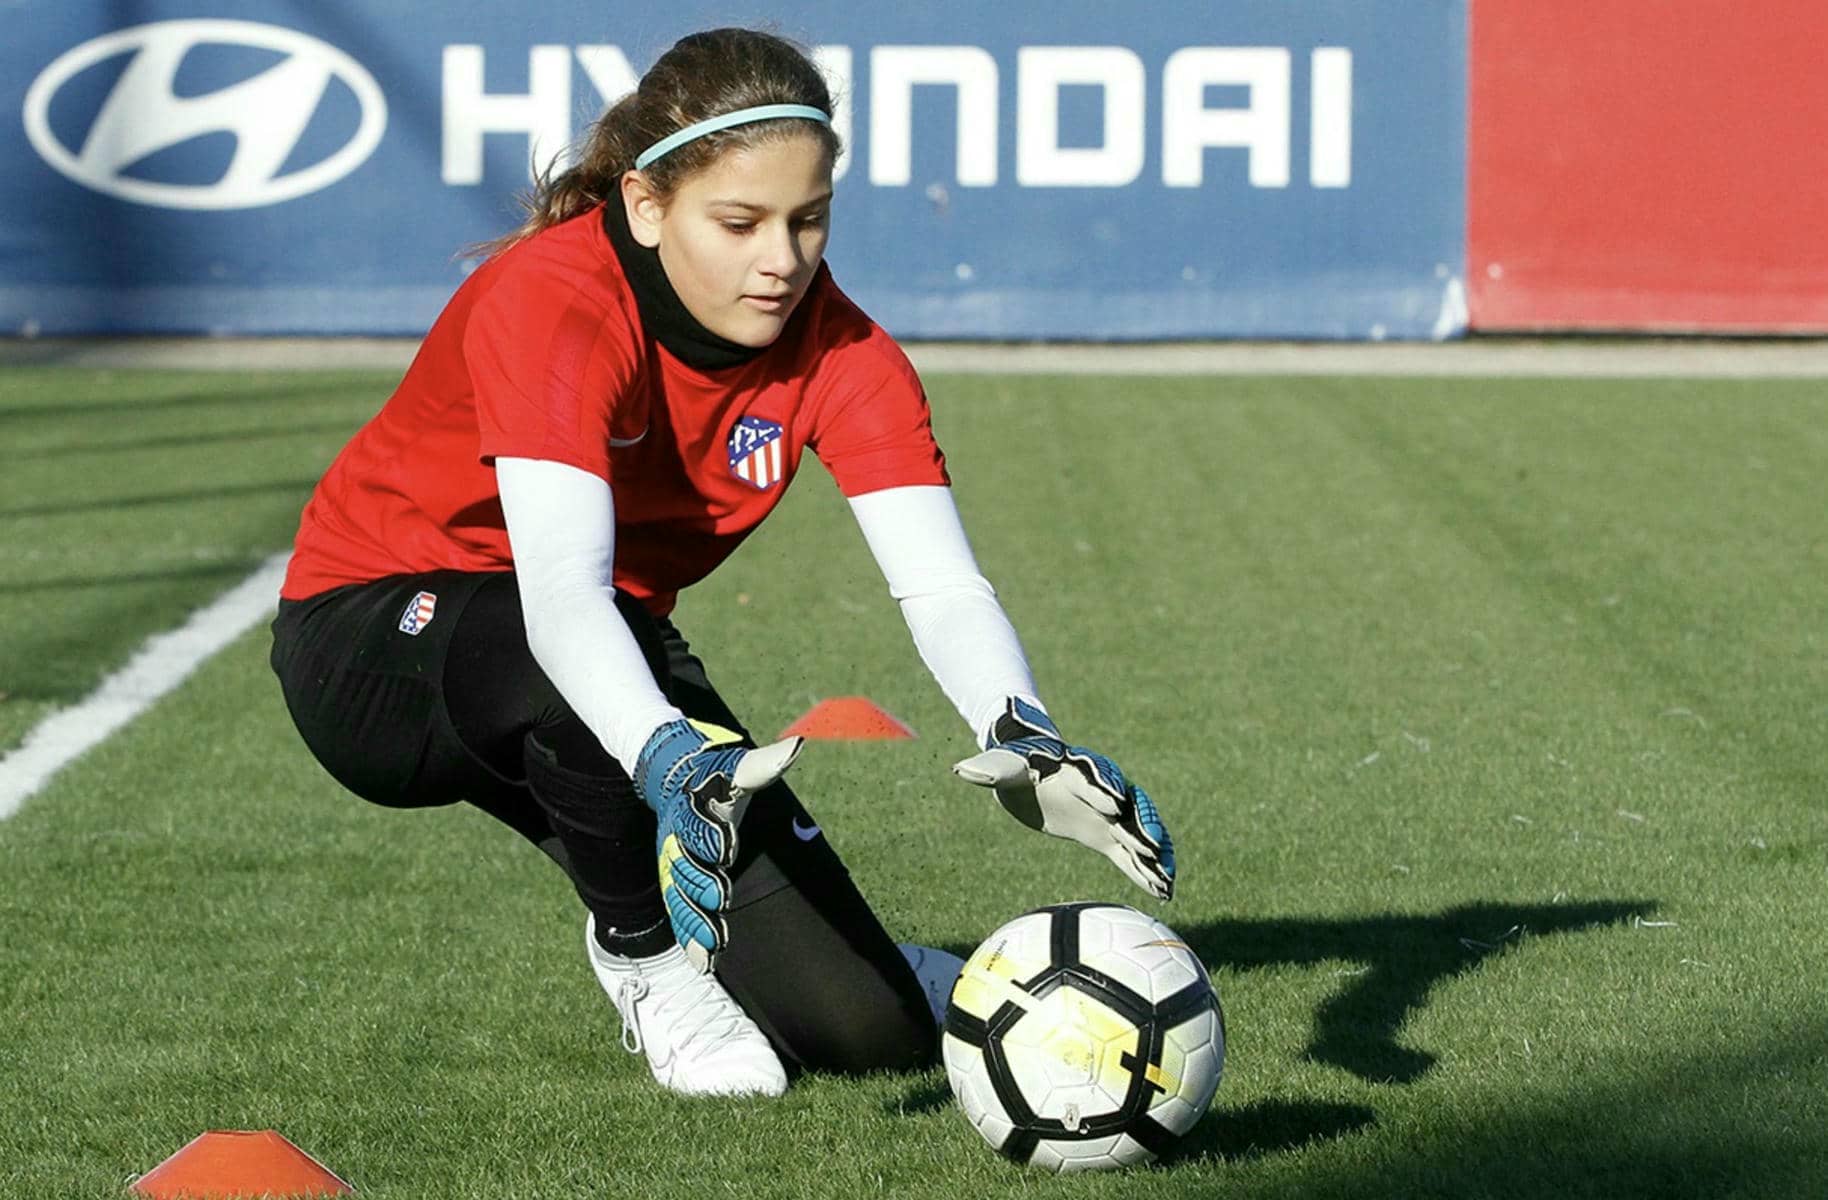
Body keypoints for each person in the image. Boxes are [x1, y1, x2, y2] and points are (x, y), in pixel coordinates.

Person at [270, 27, 1174, 1100]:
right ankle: (645, 960)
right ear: (647, 207)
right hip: (374, 649)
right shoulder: (552, 300)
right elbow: (559, 601)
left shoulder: (846, 352)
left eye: (808, 220)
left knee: (865, 1027)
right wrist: (665, 754)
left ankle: (868, 964)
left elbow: (939, 584)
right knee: (569, 668)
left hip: (602, 656)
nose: (781, 259)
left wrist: (1018, 726)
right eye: (740, 222)